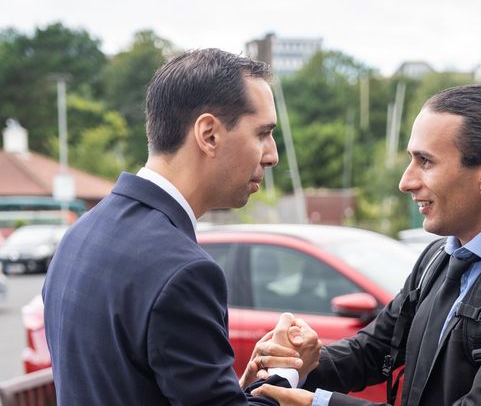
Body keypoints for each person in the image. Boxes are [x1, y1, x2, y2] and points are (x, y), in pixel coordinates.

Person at [253, 84, 481, 405]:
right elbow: (373, 350)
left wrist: (319, 403)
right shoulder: (440, 257)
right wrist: (294, 360)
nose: (406, 181)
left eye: (425, 161)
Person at [43, 48, 320, 405]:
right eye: (262, 133)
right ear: (208, 134)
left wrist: (246, 385)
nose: (272, 155)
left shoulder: (81, 233)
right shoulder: (184, 271)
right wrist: (287, 373)